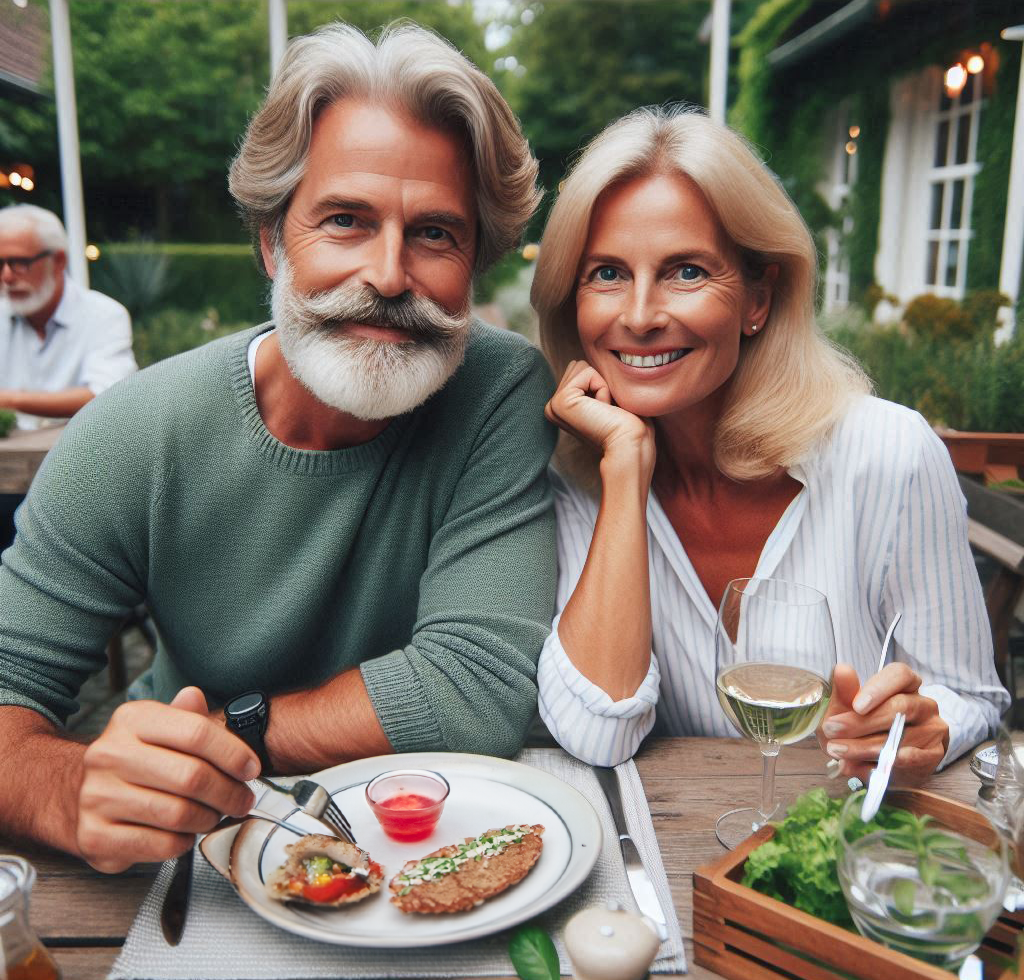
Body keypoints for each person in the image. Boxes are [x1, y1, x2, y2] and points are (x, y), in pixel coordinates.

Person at [0, 23, 555, 872]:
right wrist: (76, 790)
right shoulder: (133, 433)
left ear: (476, 262)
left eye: (437, 233)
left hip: (431, 841)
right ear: (270, 242)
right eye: (345, 220)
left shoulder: (500, 389)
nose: (390, 274)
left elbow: (475, 685)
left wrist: (232, 734)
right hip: (189, 851)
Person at [532, 106, 1008, 778]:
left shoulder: (888, 454)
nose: (639, 316)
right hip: (687, 859)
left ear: (759, 297)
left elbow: (968, 697)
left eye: (686, 272)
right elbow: (599, 733)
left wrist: (927, 728)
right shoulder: (575, 474)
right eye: (606, 273)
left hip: (847, 846)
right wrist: (626, 468)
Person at [0, 204, 137, 548]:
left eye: (18, 262)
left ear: (57, 261)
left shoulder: (103, 315)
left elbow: (107, 396)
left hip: (80, 486)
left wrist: (9, 399)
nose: (6, 276)